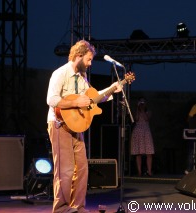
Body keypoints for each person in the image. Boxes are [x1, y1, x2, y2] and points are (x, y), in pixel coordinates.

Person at [46, 40, 122, 213]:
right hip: (59, 125)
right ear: (79, 56)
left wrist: (111, 89)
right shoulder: (60, 74)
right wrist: (75, 101)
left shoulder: (82, 77)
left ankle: (77, 207)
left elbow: (92, 99)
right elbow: (51, 99)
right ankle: (61, 209)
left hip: (75, 127)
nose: (90, 63)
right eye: (88, 59)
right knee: (64, 170)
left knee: (82, 168)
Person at [130, 97, 154, 177]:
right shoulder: (136, 111)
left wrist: (143, 110)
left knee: (149, 153)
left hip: (146, 131)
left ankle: (149, 171)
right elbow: (136, 119)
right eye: (141, 103)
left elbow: (147, 119)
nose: (142, 105)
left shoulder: (148, 111)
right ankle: (139, 172)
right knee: (138, 153)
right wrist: (138, 109)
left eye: (143, 103)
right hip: (138, 131)